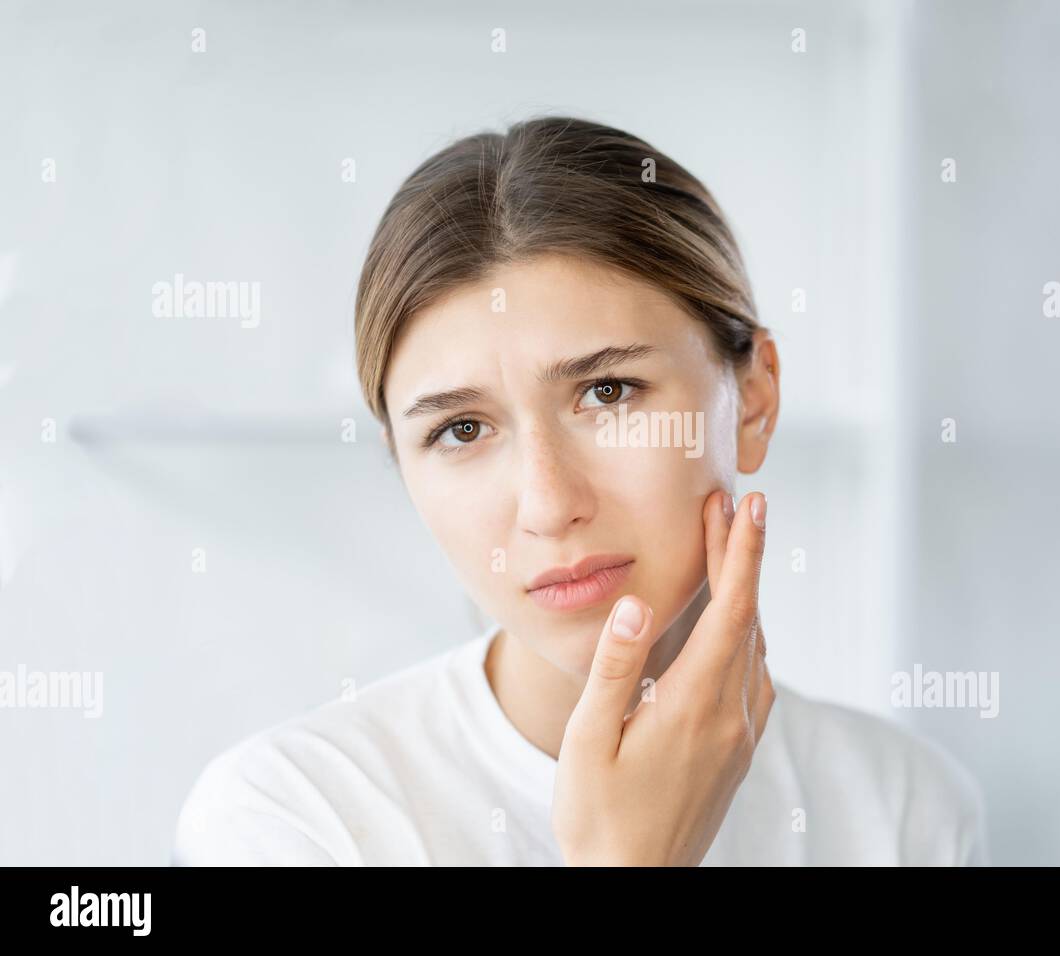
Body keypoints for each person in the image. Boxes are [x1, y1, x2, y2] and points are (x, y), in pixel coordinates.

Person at [171, 116, 988, 866]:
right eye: (462, 430)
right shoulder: (290, 820)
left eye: (607, 393)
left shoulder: (900, 812)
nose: (548, 505)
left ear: (753, 398)